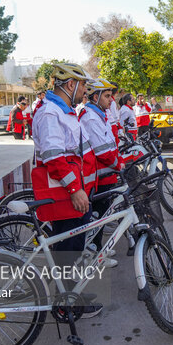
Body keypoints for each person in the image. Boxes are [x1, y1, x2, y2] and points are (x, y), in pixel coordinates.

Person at [31, 62, 101, 313]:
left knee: (72, 248)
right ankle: (66, 305)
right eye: (83, 85)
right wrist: (76, 189)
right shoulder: (51, 113)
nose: (85, 91)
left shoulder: (64, 111)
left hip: (70, 191)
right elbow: (53, 157)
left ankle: (70, 294)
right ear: (70, 84)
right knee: (67, 250)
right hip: (64, 194)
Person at [79, 78, 123, 268]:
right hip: (100, 176)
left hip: (106, 175)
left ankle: (98, 250)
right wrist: (119, 165)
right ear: (95, 97)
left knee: (102, 217)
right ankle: (96, 255)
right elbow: (103, 151)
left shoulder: (99, 114)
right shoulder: (90, 117)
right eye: (106, 96)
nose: (111, 99)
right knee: (98, 219)